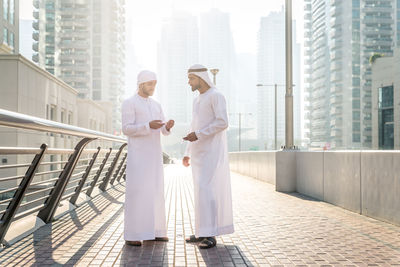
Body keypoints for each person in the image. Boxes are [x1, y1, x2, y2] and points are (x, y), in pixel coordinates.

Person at [183, 64, 234, 249]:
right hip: (197, 152)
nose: (189, 82)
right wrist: (187, 152)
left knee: (207, 190)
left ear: (201, 78)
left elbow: (223, 122)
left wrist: (199, 134)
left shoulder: (216, 96)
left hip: (212, 151)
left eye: (191, 78)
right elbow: (193, 125)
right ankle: (201, 231)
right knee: (200, 192)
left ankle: (211, 234)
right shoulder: (197, 100)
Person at [121, 70, 174, 246]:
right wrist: (147, 126)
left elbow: (163, 131)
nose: (152, 87)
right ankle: (133, 234)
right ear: (141, 84)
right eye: (150, 84)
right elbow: (127, 129)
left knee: (155, 191)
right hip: (138, 156)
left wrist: (168, 127)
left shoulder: (156, 105)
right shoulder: (129, 103)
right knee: (138, 192)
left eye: (154, 84)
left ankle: (156, 231)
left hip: (154, 155)